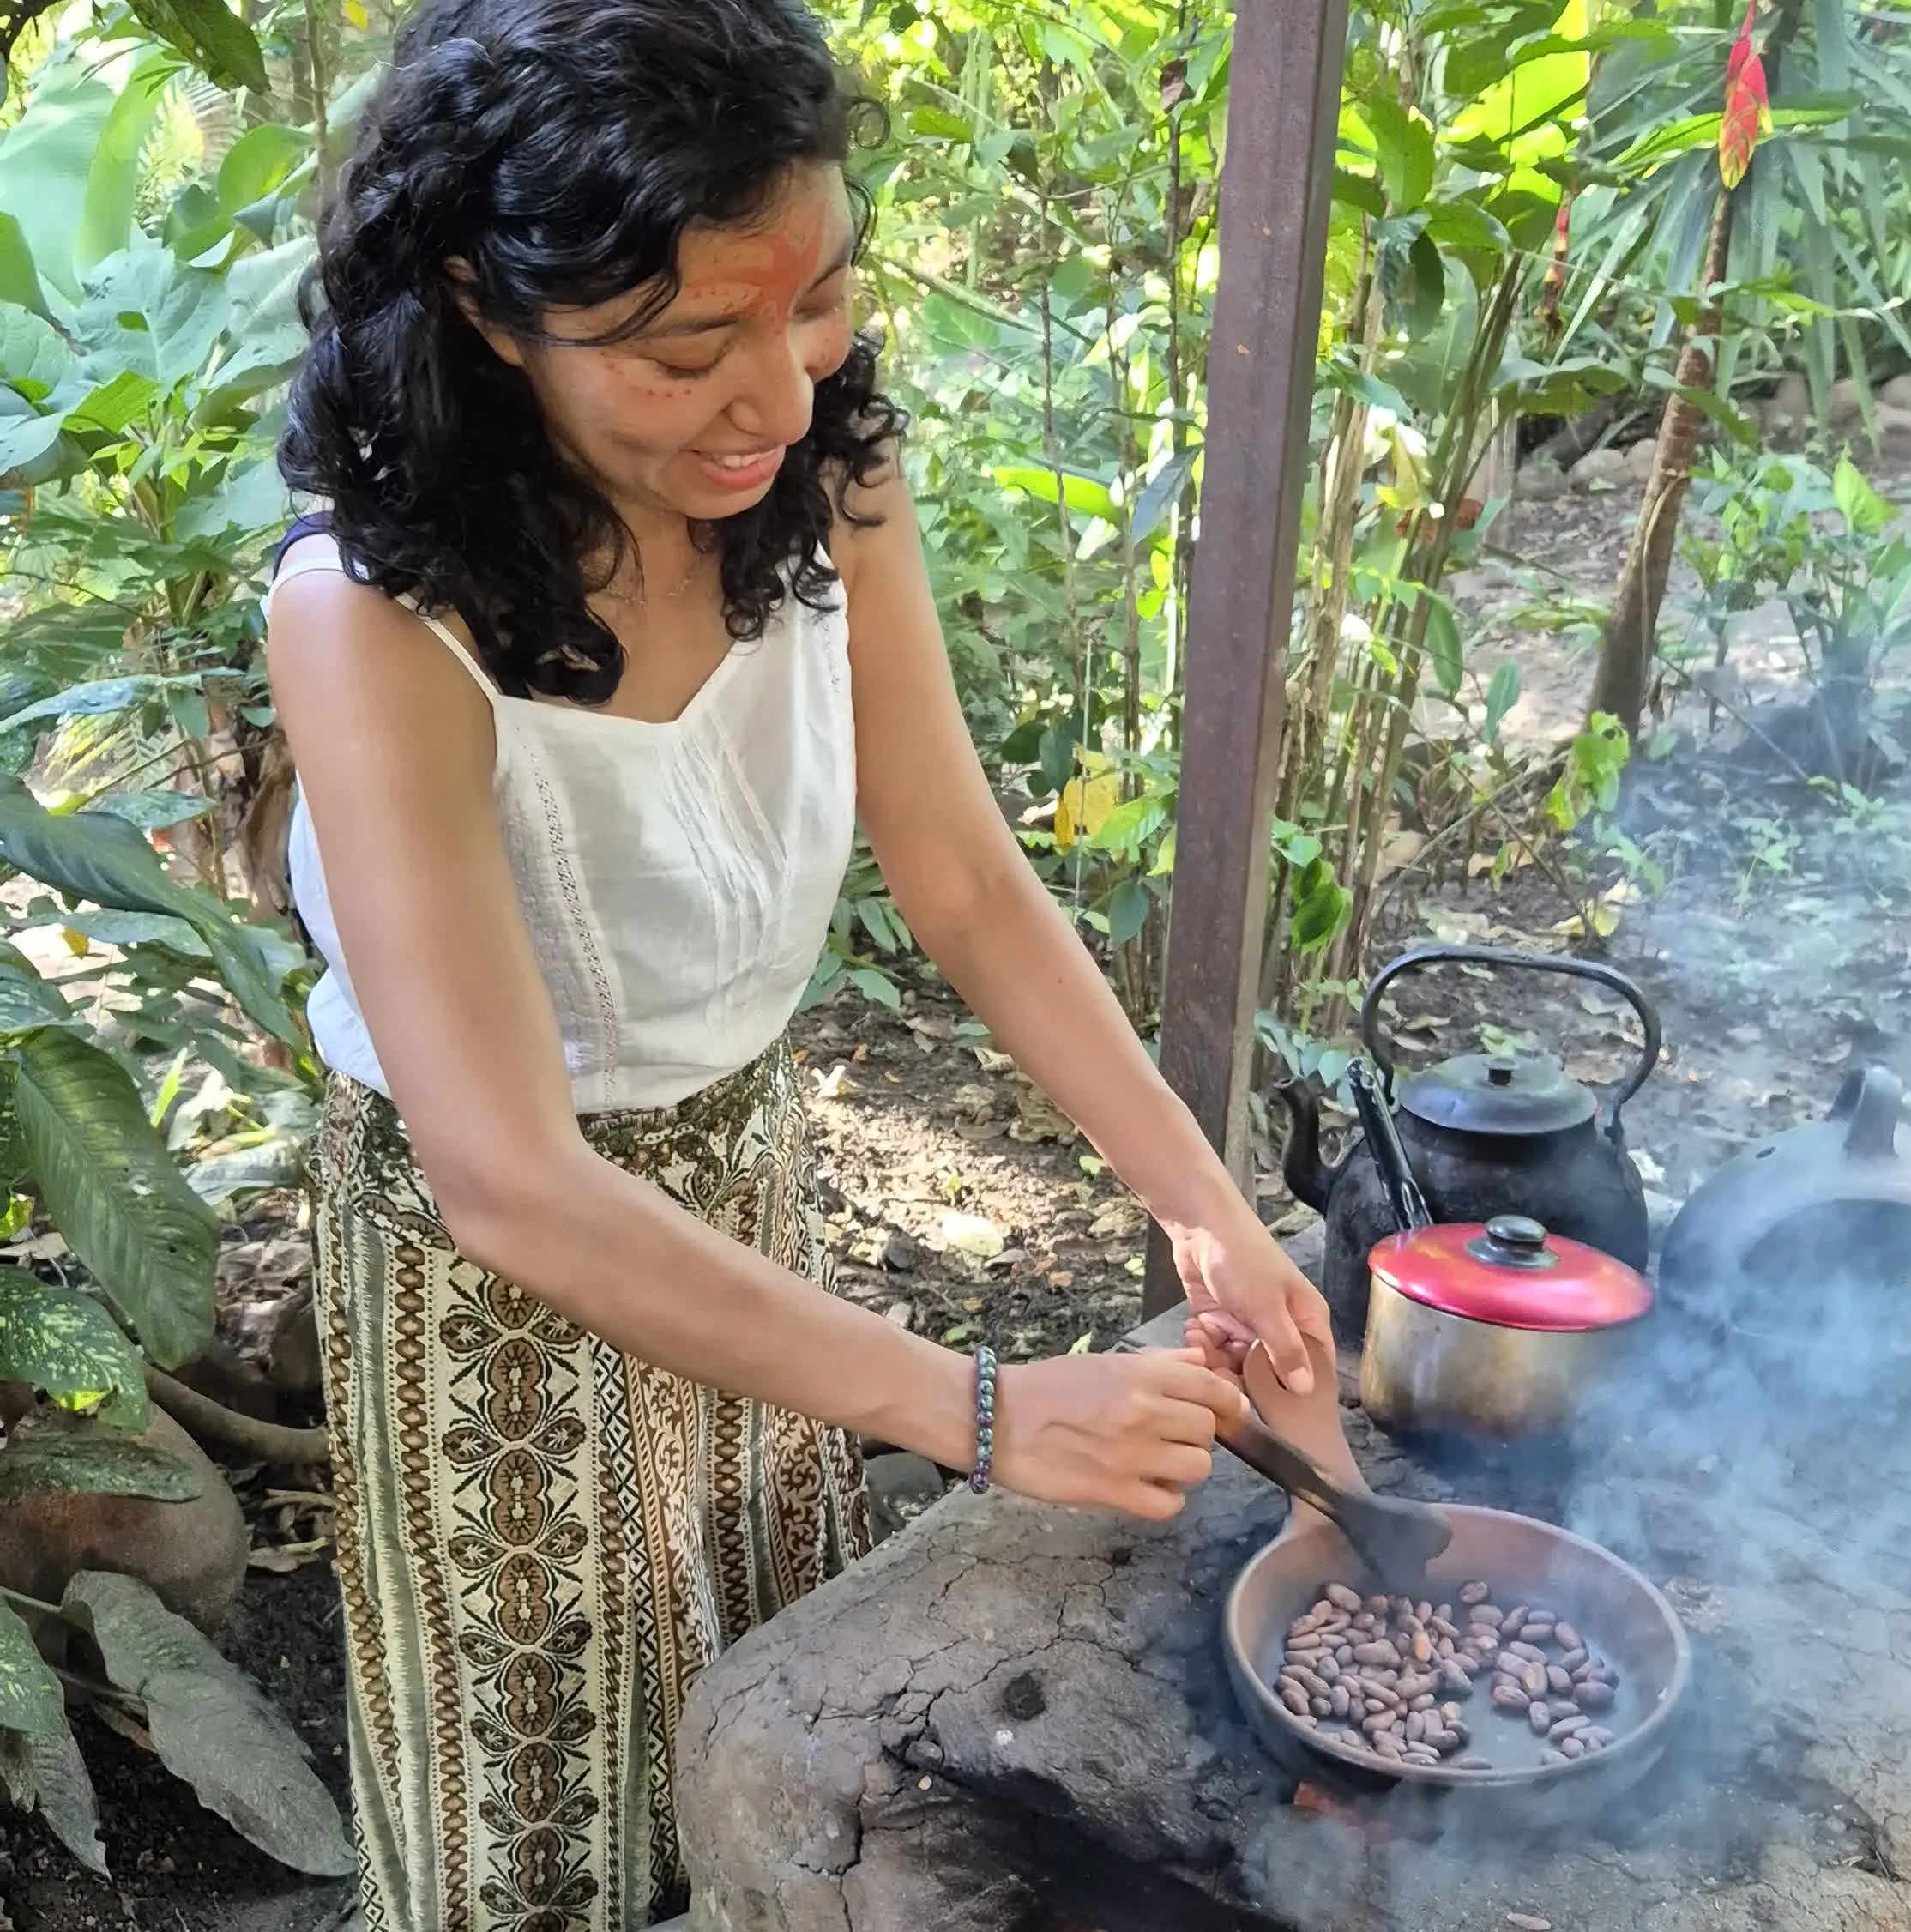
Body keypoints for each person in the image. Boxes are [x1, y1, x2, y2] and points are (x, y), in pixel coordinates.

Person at [265, 0, 1335, 1923]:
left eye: (816, 302)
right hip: (488, 1303)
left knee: (772, 1743)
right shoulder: (372, 620)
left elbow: (966, 878)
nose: (774, 392)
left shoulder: (821, 466)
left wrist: (1207, 1215)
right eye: (687, 347)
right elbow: (509, 1178)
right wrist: (986, 1411)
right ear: (487, 311)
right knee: (545, 1839)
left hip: (743, 1197)